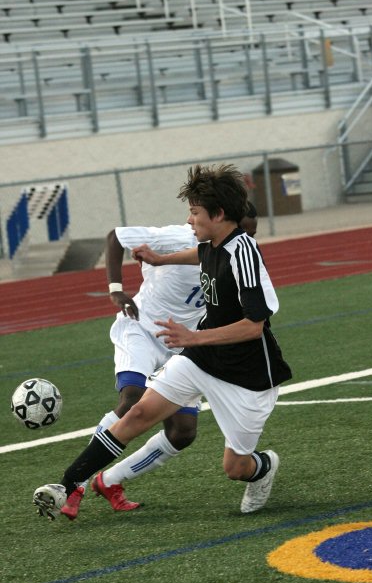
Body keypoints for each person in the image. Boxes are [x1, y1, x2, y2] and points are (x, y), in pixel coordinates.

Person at [33, 164, 291, 520]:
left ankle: (263, 468)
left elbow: (254, 326)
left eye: (195, 212)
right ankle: (68, 484)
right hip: (201, 358)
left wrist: (193, 336)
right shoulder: (213, 242)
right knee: (137, 412)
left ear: (217, 215)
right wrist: (159, 259)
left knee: (235, 466)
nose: (189, 219)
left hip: (248, 376)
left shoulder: (244, 252)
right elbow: (201, 256)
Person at [60, 204, 259, 520]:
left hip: (180, 342)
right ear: (225, 221)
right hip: (140, 327)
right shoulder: (177, 237)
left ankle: (110, 481)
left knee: (183, 431)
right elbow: (115, 236)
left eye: (251, 234)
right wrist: (116, 291)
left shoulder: (240, 257)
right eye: (243, 231)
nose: (246, 238)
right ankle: (74, 485)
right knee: (133, 399)